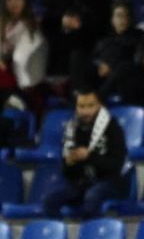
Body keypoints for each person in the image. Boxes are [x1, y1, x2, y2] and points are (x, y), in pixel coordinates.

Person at [39, 88, 129, 217]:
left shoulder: (113, 128)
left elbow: (116, 165)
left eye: (91, 106)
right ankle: (57, 234)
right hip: (82, 182)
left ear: (99, 105)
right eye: (81, 106)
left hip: (111, 182)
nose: (86, 111)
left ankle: (92, 235)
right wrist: (70, 162)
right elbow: (67, 172)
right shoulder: (71, 128)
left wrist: (89, 156)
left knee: (93, 195)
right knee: (50, 199)